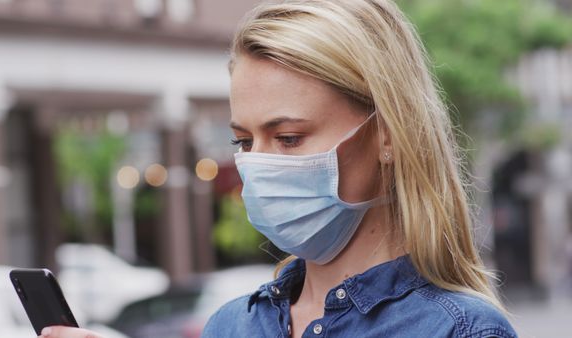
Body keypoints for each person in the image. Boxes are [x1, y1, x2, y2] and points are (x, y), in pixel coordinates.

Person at [40, 0, 517, 337]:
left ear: (387, 134)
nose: (260, 165)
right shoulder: (230, 326)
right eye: (243, 141)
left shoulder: (459, 330)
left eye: (288, 138)